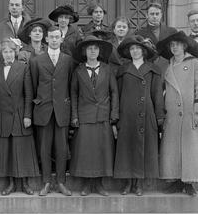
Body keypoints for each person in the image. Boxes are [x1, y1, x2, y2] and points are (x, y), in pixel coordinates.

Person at [155, 31, 198, 197]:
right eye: (172, 45)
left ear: (184, 46)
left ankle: (189, 182)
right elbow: (162, 90)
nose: (174, 47)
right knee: (173, 149)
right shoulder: (167, 66)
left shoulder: (195, 64)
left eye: (177, 44)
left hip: (189, 114)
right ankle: (176, 181)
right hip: (172, 115)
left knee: (190, 148)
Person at [113, 35, 164, 196]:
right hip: (126, 114)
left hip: (146, 114)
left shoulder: (153, 69)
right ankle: (127, 182)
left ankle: (139, 183)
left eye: (138, 49)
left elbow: (157, 95)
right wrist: (115, 118)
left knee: (142, 149)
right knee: (127, 148)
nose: (135, 51)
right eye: (132, 49)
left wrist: (159, 118)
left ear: (143, 51)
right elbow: (117, 95)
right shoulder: (122, 70)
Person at [69, 35, 119, 196]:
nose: (92, 51)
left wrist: (113, 115)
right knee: (85, 151)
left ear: (99, 51)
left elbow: (114, 93)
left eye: (95, 48)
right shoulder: (78, 70)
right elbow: (74, 94)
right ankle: (86, 185)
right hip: (84, 116)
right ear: (85, 51)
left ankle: (99, 185)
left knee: (101, 151)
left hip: (103, 116)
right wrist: (74, 116)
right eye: (89, 48)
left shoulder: (107, 69)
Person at [29, 26, 75, 196]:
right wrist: (37, 103)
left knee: (62, 148)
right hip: (43, 110)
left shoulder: (68, 60)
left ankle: (61, 182)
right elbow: (33, 86)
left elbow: (71, 85)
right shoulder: (36, 61)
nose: (54, 40)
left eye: (57, 37)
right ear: (46, 39)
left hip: (62, 110)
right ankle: (47, 181)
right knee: (44, 148)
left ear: (62, 39)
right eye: (51, 37)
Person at [0, 39, 40, 195]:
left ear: (16, 53)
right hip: (3, 116)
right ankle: (10, 184)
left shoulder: (23, 68)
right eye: (5, 52)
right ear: (2, 54)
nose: (8, 54)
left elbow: (28, 94)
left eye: (11, 51)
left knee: (22, 150)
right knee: (7, 151)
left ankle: (25, 184)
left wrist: (27, 115)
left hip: (20, 115)